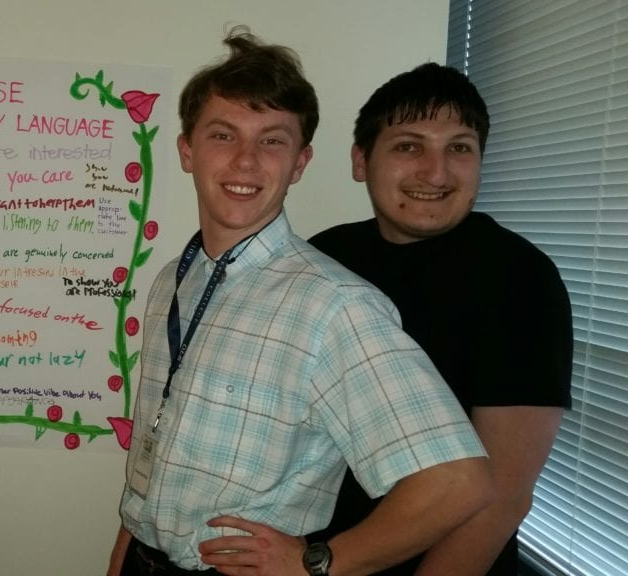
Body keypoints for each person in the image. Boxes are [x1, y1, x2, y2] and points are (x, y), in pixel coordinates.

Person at [108, 28, 494, 576]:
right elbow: (152, 452)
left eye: (272, 140)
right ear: (187, 151)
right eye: (223, 135)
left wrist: (318, 563)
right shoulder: (173, 280)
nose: (245, 161)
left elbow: (458, 481)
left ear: (301, 162)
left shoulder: (334, 305)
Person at [308, 63, 572, 575]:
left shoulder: (521, 279)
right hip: (314, 557)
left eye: (459, 147)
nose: (436, 172)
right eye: (409, 146)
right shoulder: (325, 257)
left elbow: (501, 497)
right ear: (362, 161)